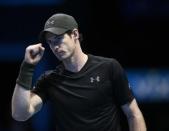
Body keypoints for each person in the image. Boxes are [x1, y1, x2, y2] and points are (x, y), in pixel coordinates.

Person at [11, 13, 147, 131]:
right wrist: (27, 66)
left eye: (59, 39)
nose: (55, 46)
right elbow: (20, 114)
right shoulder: (49, 80)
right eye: (51, 42)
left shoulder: (109, 67)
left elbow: (133, 114)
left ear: (75, 34)